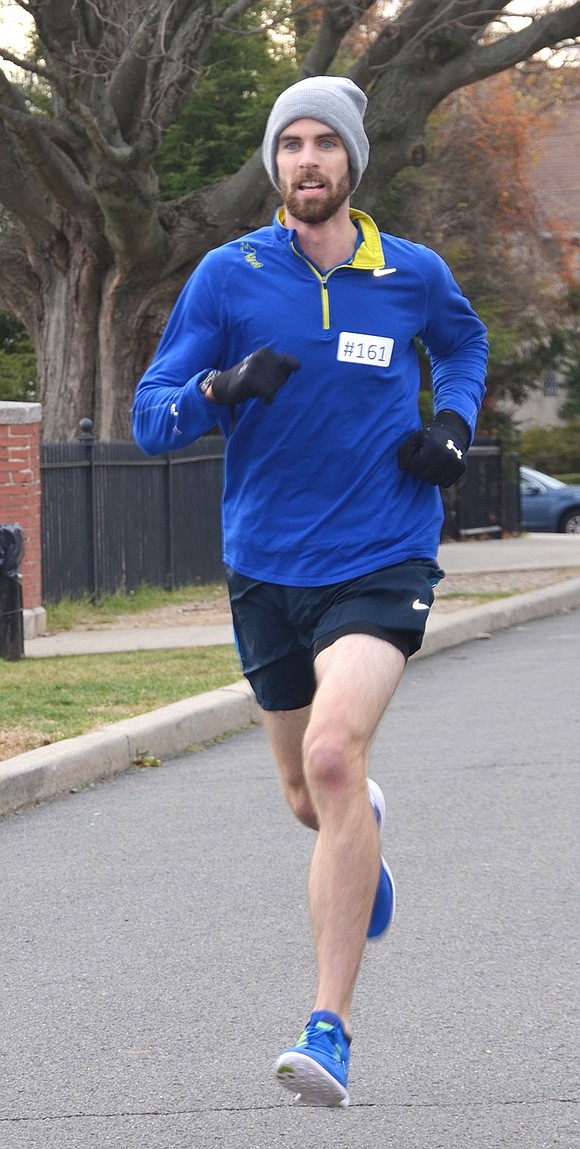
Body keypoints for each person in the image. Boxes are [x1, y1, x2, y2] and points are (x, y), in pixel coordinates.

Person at [132, 75, 488, 1107]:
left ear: (351, 163)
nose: (304, 162)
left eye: (322, 144)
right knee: (308, 796)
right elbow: (152, 414)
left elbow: (461, 343)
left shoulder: (408, 273)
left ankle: (327, 1030)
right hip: (266, 566)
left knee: (333, 753)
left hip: (382, 553)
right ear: (273, 164)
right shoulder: (227, 277)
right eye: (288, 145)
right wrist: (219, 388)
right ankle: (358, 837)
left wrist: (452, 424)